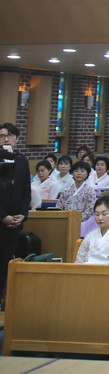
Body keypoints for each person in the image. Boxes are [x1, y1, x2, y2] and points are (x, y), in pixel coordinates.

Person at [0, 124, 31, 299]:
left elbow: (26, 192)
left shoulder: (21, 161)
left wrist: (22, 214)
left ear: (17, 139)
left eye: (10, 136)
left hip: (15, 221)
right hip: (1, 218)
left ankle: (4, 298)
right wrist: (3, 216)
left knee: (6, 262)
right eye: (2, 136)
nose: (6, 139)